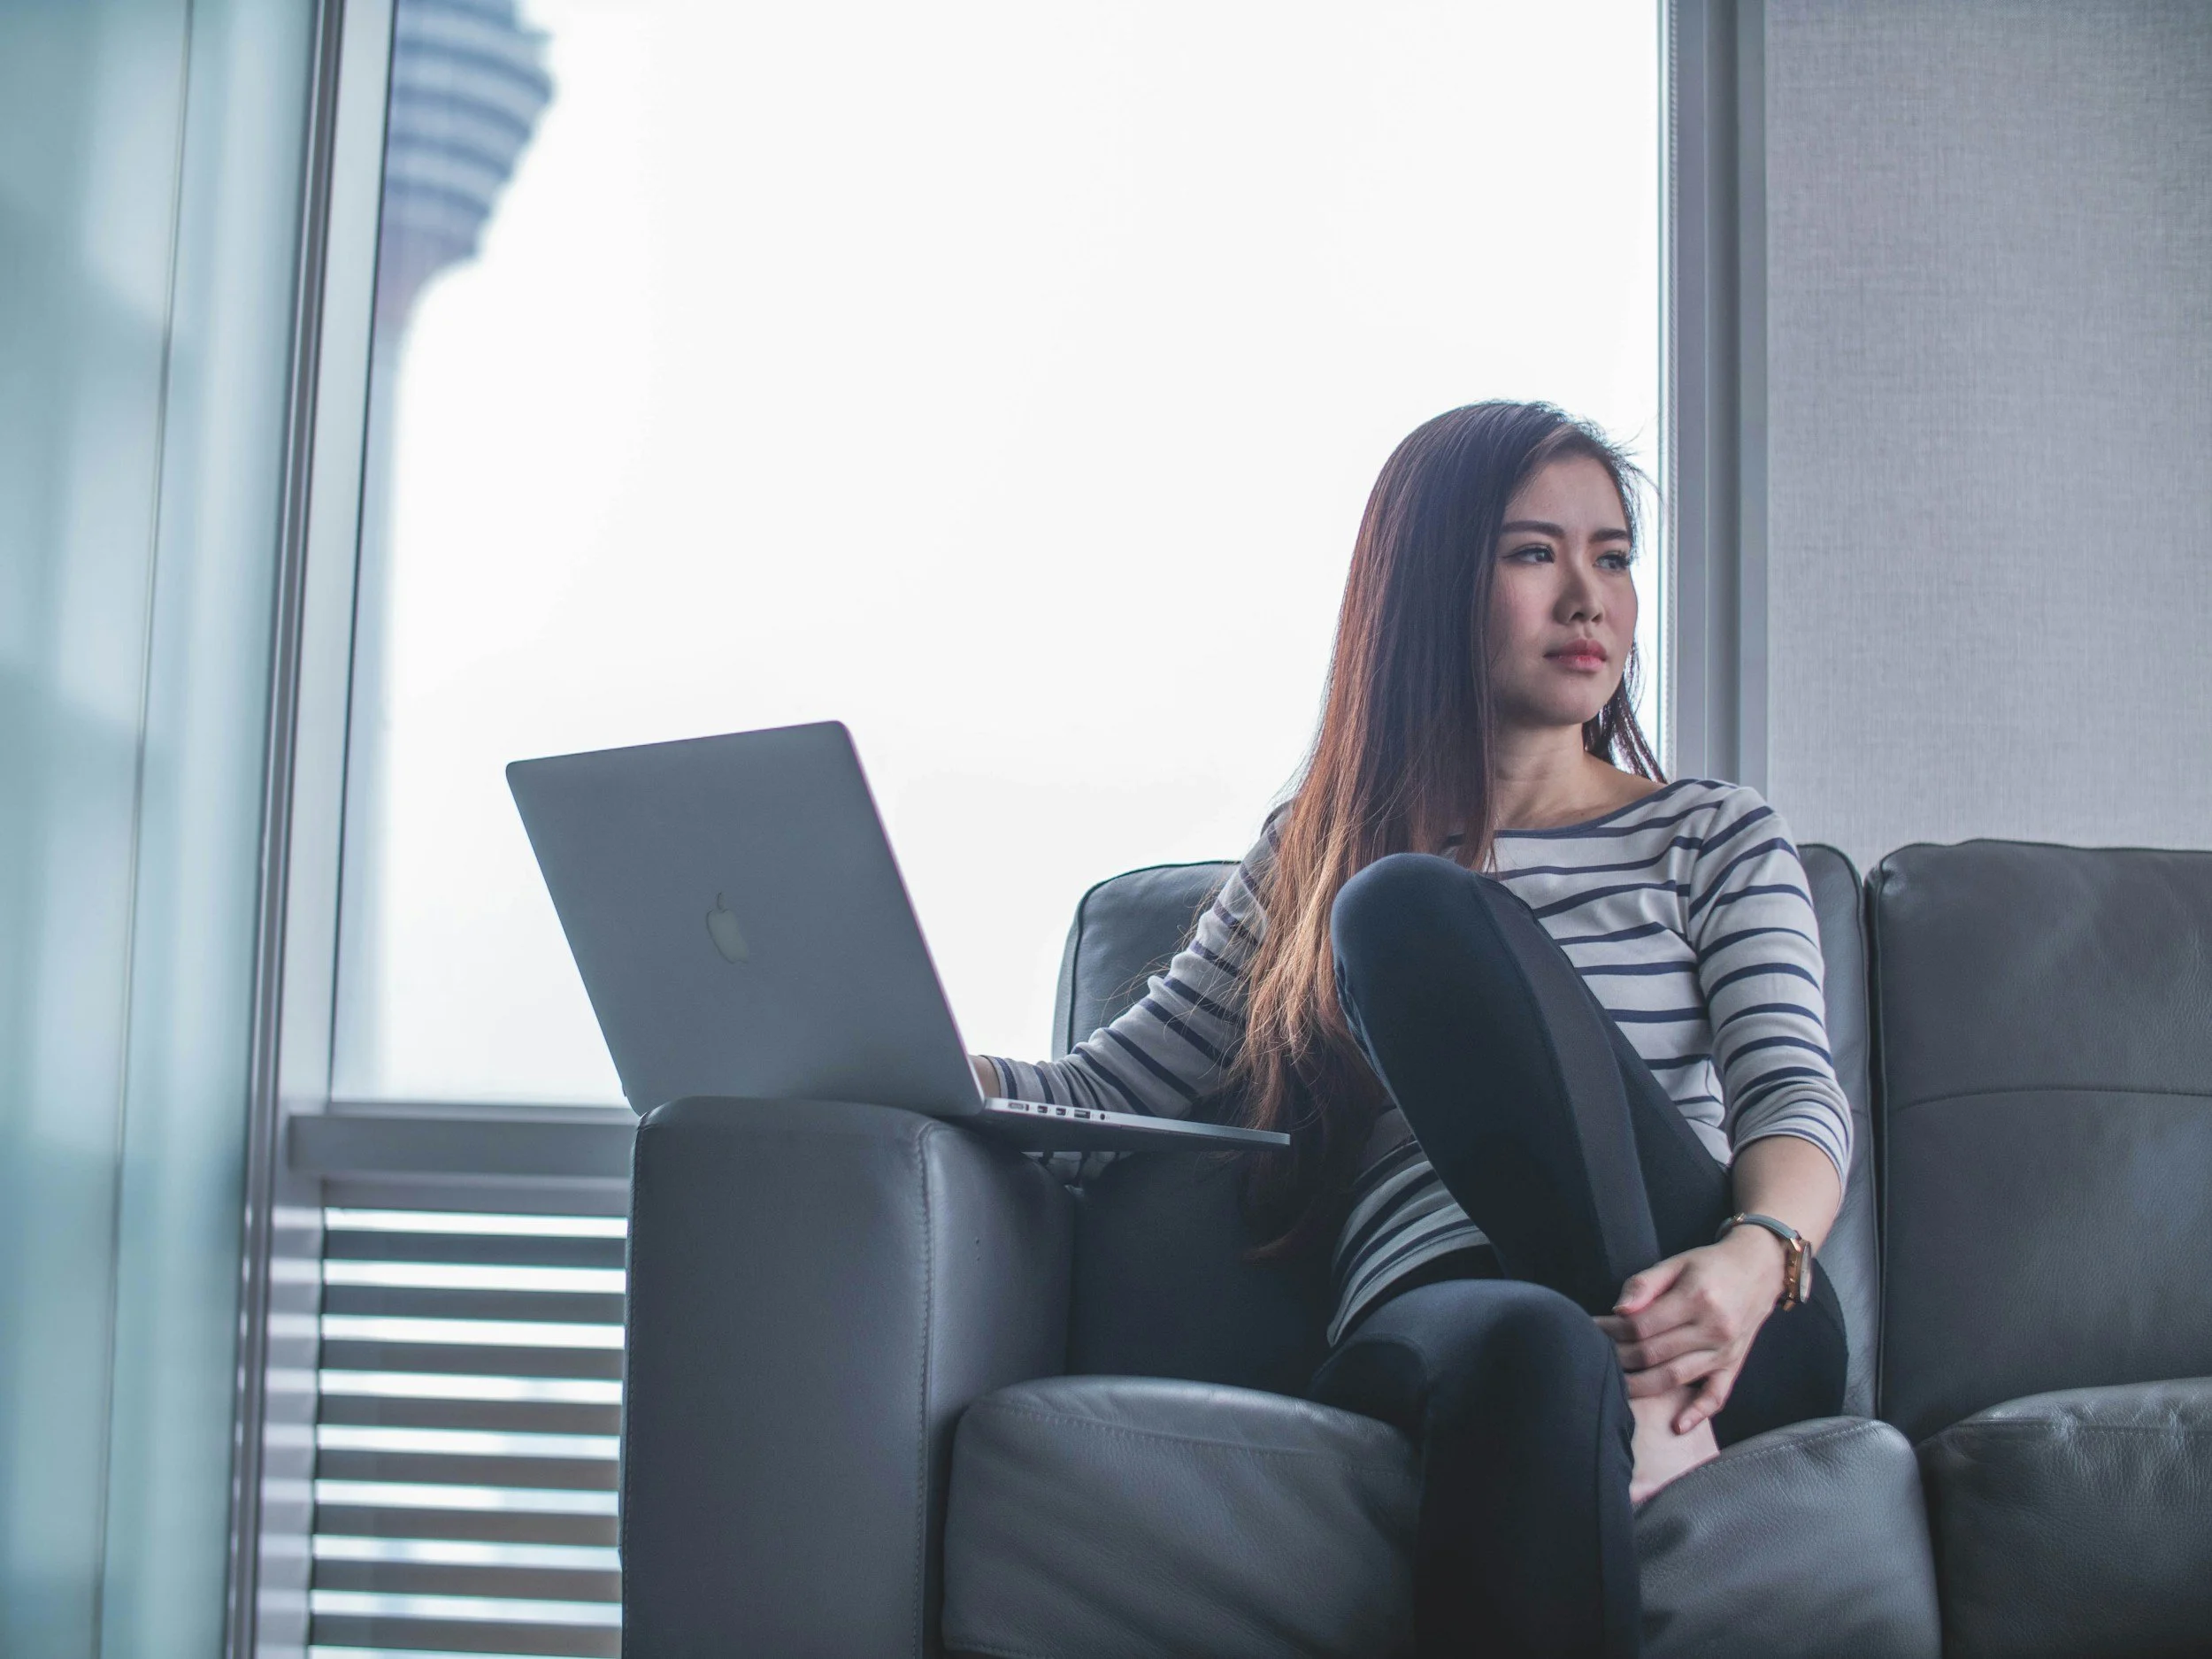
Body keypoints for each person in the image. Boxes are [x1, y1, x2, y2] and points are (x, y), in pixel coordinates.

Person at [971, 400, 1850, 1658]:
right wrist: (911, 1061)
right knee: (1536, 1332)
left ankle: (1651, 1381)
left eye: (1612, 555)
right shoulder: (1312, 855)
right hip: (1447, 1313)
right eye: (1534, 553)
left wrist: (1755, 1257)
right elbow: (1107, 1098)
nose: (1590, 598)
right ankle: (1625, 1399)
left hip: (1724, 1313)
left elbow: (1792, 1099)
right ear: (1432, 581)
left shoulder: (1713, 836)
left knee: (1409, 911)